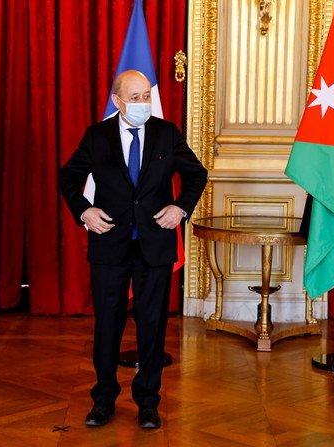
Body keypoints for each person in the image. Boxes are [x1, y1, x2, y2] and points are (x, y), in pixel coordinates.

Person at [59, 70, 208, 429]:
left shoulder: (166, 133)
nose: (143, 103)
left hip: (154, 246)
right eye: (136, 97)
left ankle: (147, 403)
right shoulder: (97, 136)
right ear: (118, 101)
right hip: (109, 244)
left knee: (152, 326)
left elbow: (196, 175)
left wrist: (180, 207)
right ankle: (103, 401)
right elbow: (68, 177)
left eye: (146, 96)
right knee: (108, 325)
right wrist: (84, 210)